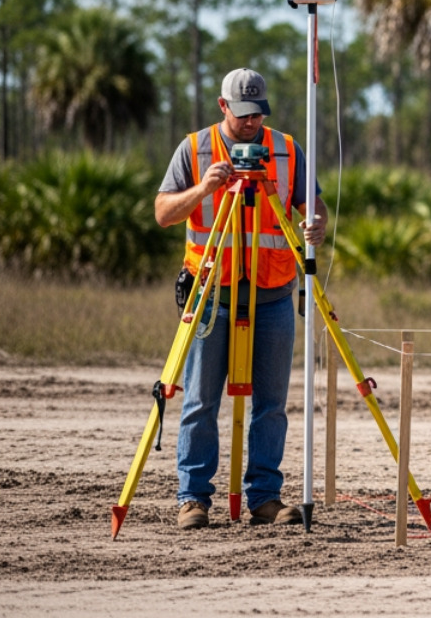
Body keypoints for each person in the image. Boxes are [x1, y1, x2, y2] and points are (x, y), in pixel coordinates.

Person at [154, 67, 327, 531]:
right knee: (200, 401)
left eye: (258, 114)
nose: (251, 123)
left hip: (272, 294)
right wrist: (204, 188)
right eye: (243, 114)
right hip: (212, 294)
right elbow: (164, 213)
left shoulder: (288, 149)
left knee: (271, 404)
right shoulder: (194, 149)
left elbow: (313, 205)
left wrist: (316, 223)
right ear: (223, 106)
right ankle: (193, 498)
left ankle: (265, 497)